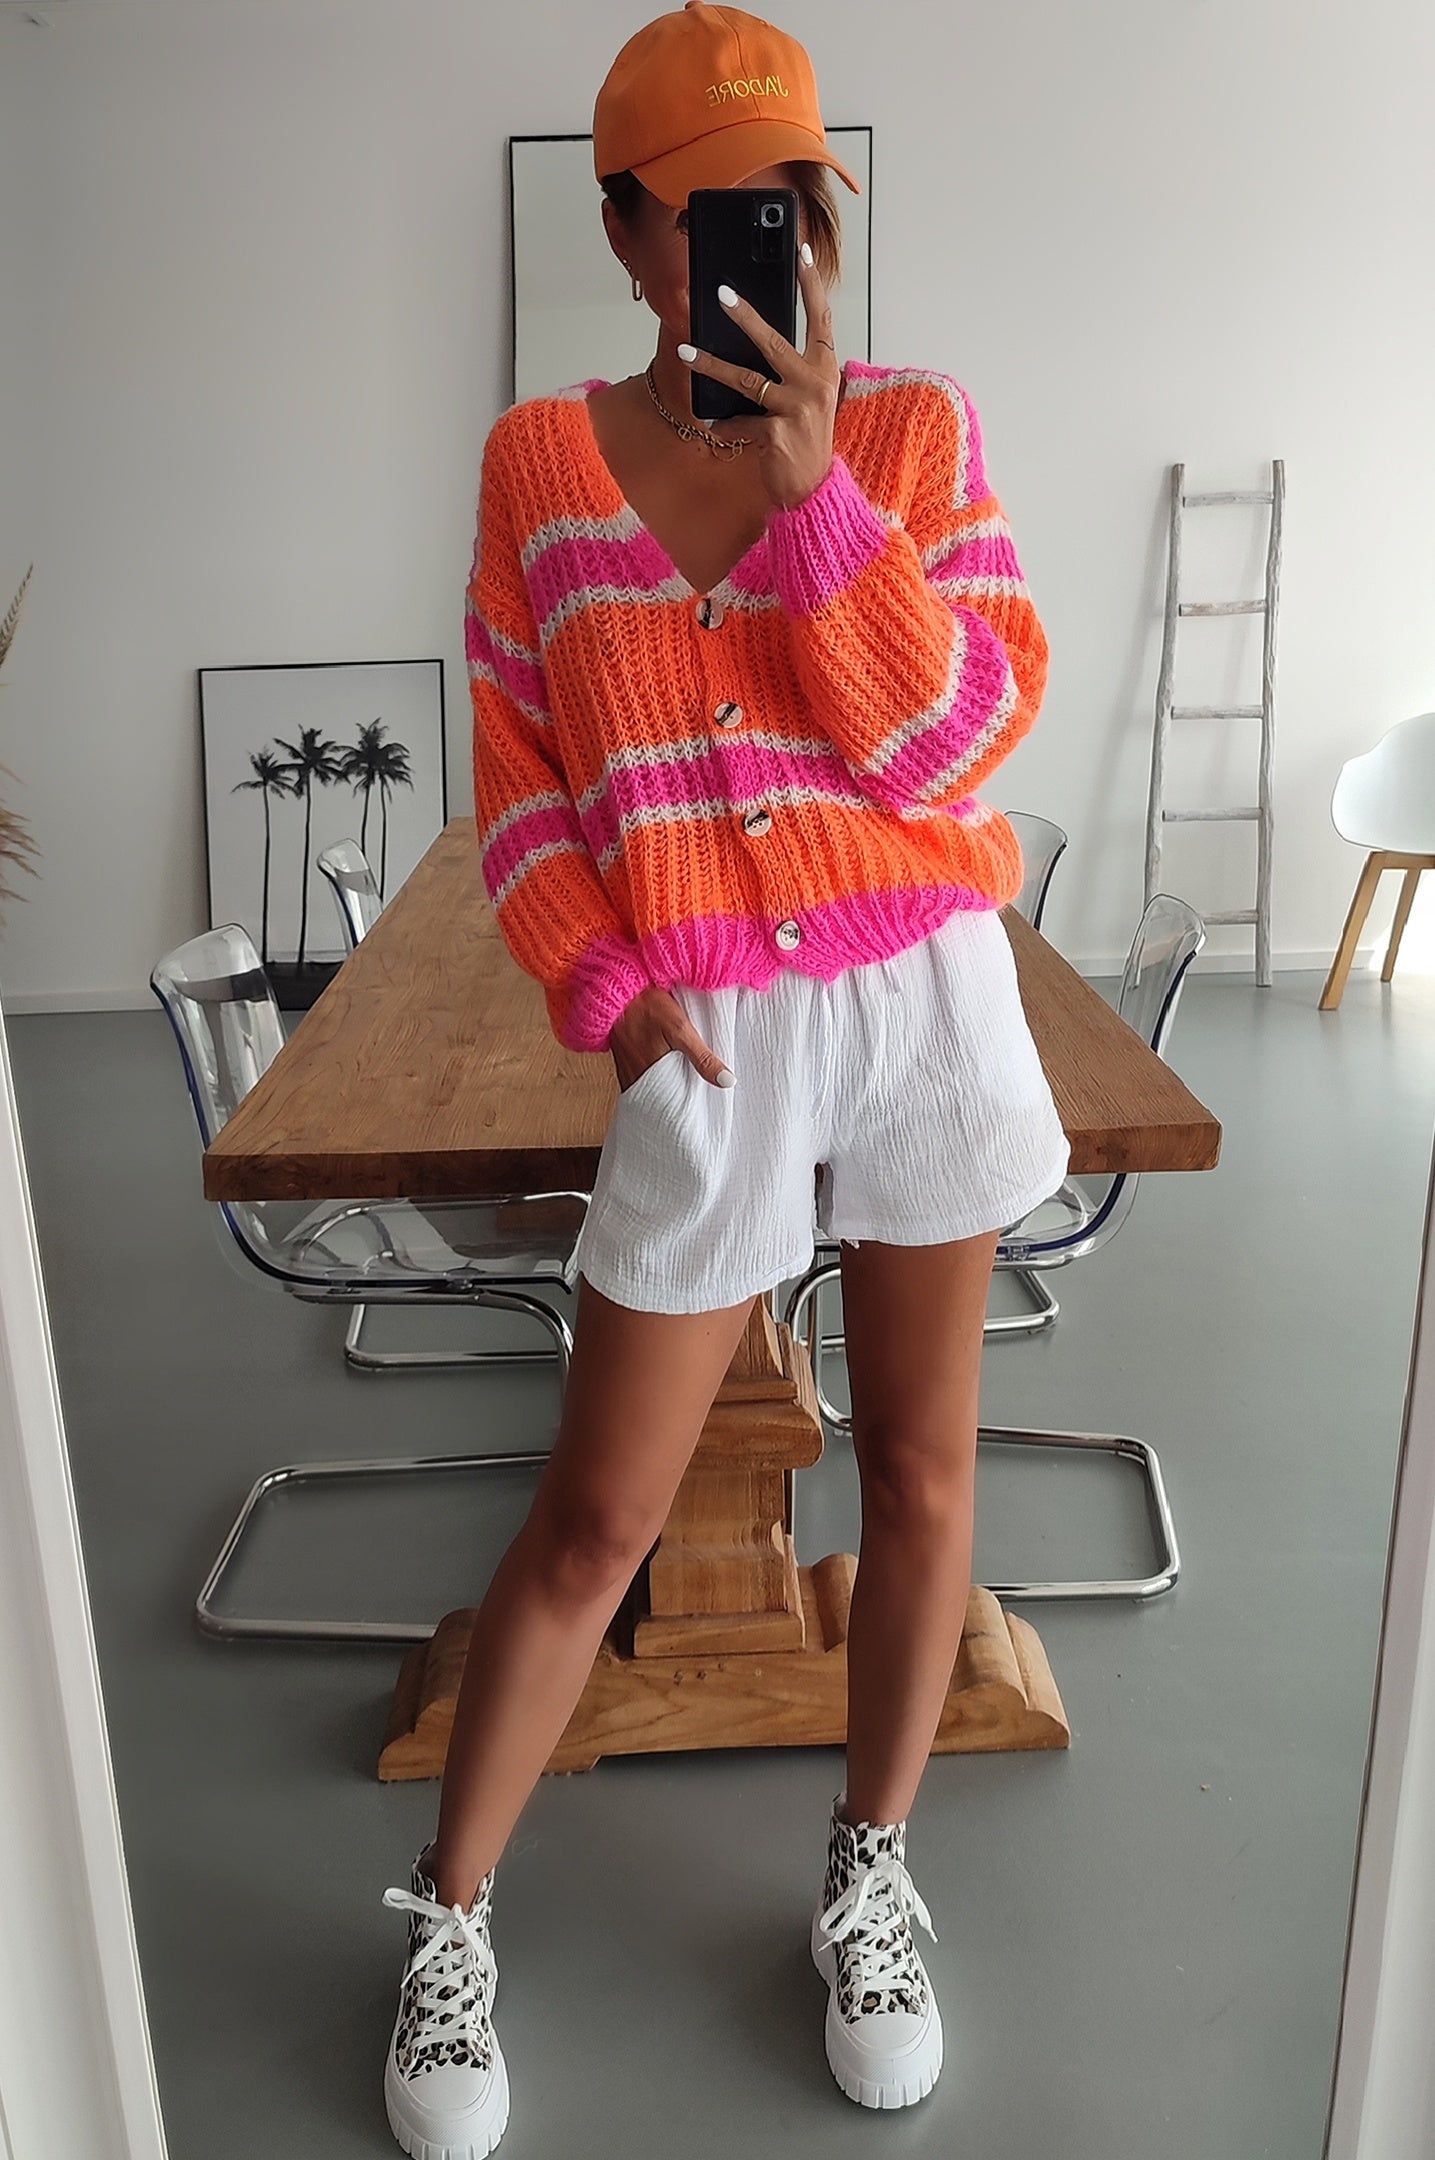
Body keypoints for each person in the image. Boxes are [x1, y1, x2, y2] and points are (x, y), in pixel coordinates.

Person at [380, 4, 1070, 2152]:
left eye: (793, 204)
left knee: (924, 1477)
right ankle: (447, 1921)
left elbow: (956, 747)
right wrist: (603, 982)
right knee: (597, 1516)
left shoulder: (914, 434)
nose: (762, 245)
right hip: (706, 1032)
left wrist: (811, 495)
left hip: (923, 1000)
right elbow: (518, 789)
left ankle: (872, 1872)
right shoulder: (535, 465)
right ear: (623, 232)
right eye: (710, 212)